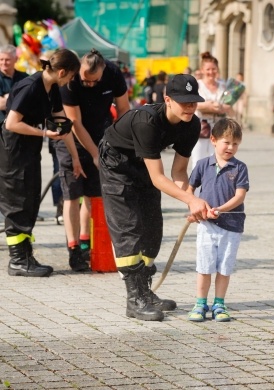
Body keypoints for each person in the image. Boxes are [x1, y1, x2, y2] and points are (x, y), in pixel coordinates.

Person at [98, 73, 210, 322]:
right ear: (168, 99)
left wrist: (191, 199)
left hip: (145, 165)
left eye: (194, 101)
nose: (190, 107)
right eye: (184, 102)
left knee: (152, 228)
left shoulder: (191, 125)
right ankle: (134, 299)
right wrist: (191, 201)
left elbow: (179, 172)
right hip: (117, 165)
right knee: (130, 229)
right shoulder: (147, 121)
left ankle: (146, 291)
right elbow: (159, 178)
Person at [0, 48, 81, 277]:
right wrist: (46, 133)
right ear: (62, 71)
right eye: (71, 76)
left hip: (29, 151)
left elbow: (58, 117)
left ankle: (25, 255)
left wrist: (65, 131)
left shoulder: (52, 87)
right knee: (17, 203)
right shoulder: (30, 86)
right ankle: (17, 260)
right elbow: (11, 124)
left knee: (30, 199)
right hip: (13, 151)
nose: (71, 81)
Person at [56, 49, 130, 272]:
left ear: (104, 70)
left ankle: (88, 242)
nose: (88, 84)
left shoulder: (114, 73)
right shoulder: (71, 81)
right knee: (72, 194)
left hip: (102, 135)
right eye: (85, 81)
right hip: (71, 140)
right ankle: (74, 249)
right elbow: (75, 123)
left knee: (94, 195)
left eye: (94, 81)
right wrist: (94, 154)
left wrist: (124, 142)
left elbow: (124, 108)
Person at [186, 118, 249, 322]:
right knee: (204, 266)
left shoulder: (240, 168)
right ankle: (200, 303)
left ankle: (219, 304)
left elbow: (240, 196)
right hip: (206, 225)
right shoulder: (202, 165)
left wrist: (220, 210)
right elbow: (190, 190)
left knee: (224, 268)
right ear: (213, 140)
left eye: (235, 144)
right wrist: (193, 207)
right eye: (226, 142)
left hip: (232, 227)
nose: (231, 147)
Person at [192, 52, 233, 170]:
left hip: (220, 129)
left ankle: (215, 188)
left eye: (213, 69)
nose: (211, 72)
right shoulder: (197, 85)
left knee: (218, 163)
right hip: (200, 128)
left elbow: (230, 107)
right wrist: (208, 106)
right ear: (202, 70)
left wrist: (222, 107)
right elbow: (191, 104)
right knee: (198, 163)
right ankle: (197, 188)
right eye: (208, 69)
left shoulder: (223, 86)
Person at [0, 44, 28, 123]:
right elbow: (0, 104)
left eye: (7, 59)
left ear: (16, 59)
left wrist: (8, 98)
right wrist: (21, 98)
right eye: (1, 59)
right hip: (3, 126)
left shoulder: (25, 77)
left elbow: (33, 100)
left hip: (24, 124)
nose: (3, 63)